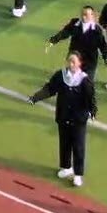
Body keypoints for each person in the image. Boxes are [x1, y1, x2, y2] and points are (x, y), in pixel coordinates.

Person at [29, 51, 96, 187]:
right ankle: (66, 168)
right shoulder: (61, 76)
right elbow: (50, 89)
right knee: (64, 144)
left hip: (78, 120)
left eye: (74, 62)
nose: (71, 64)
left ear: (79, 63)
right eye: (69, 61)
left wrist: (92, 112)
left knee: (78, 147)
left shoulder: (84, 80)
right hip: (63, 116)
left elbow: (91, 99)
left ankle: (78, 174)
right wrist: (35, 97)